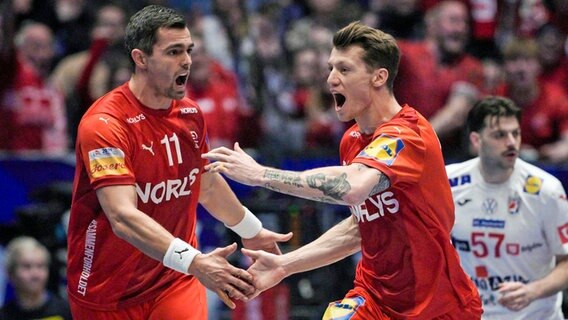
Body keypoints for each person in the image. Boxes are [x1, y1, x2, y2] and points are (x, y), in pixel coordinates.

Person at [203, 21, 482, 319]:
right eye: (331, 68)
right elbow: (360, 228)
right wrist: (286, 265)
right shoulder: (351, 140)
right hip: (374, 298)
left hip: (439, 307)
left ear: (379, 77)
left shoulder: (408, 135)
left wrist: (261, 175)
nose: (331, 80)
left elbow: (352, 187)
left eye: (345, 70)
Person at [66, 5, 291, 320]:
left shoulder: (189, 114)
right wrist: (197, 262)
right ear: (140, 58)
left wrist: (250, 230)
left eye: (189, 49)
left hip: (175, 280)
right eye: (173, 52)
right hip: (109, 290)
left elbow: (205, 183)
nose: (187, 60)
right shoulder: (104, 124)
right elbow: (122, 217)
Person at [447, 96, 568, 319]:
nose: (511, 142)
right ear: (476, 140)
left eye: (516, 133)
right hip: (472, 314)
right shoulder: (448, 183)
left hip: (535, 315)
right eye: (499, 135)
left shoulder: (546, 191)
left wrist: (533, 291)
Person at [0, 236, 72, 320]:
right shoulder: (4, 316)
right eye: (27, 266)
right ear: (11, 274)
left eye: (40, 266)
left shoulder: (67, 312)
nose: (35, 274)